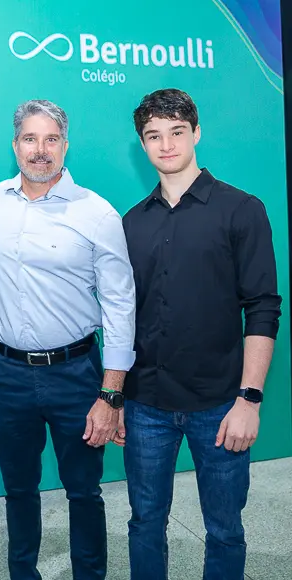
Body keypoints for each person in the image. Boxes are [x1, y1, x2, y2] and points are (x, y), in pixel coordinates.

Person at [0, 100, 136, 580]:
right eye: (30, 139)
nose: (40, 150)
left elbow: (120, 305)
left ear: (65, 145)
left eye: (51, 139)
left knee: (83, 492)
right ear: (15, 145)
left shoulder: (97, 213)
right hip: (7, 374)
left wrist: (111, 393)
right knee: (18, 491)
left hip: (76, 374)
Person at [120, 88, 282, 580]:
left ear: (196, 133)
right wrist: (115, 396)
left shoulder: (241, 209)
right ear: (142, 144)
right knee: (144, 523)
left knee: (225, 529)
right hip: (145, 405)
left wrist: (249, 399)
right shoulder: (131, 222)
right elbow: (121, 316)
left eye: (176, 131)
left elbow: (263, 308)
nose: (166, 144)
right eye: (154, 135)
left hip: (220, 405)